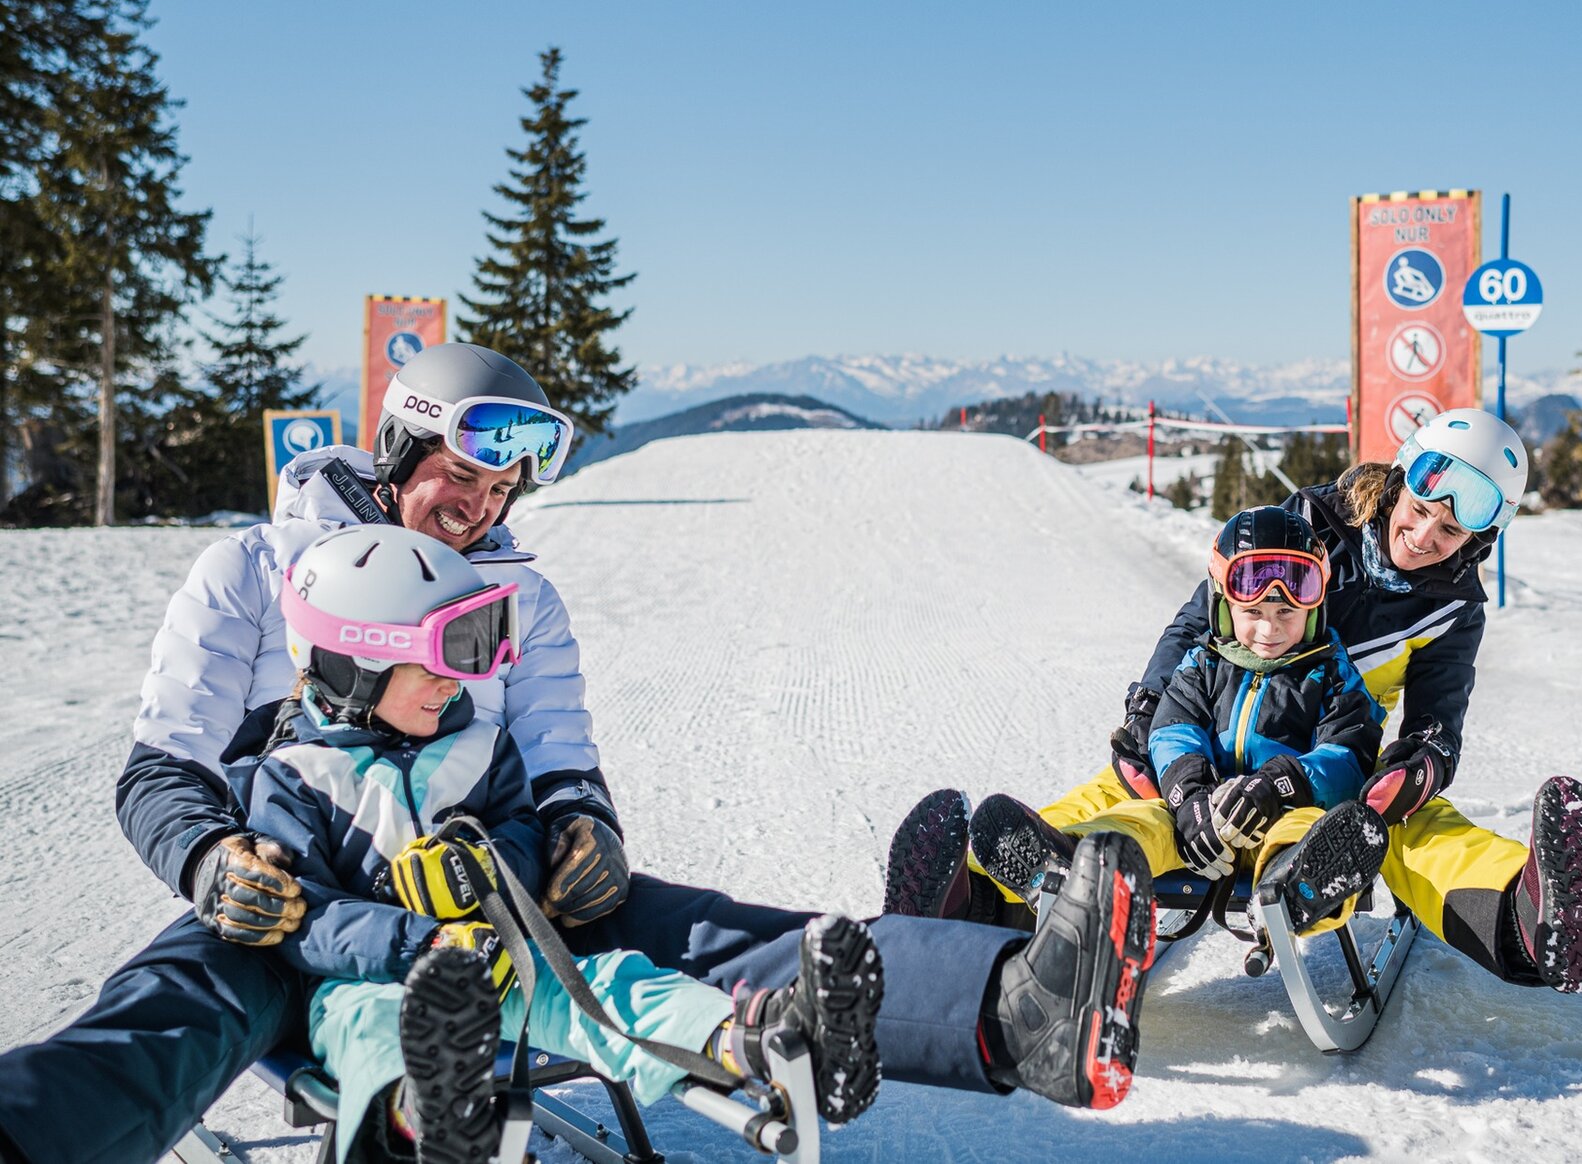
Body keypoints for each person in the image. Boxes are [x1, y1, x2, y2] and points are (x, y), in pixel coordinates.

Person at [0, 344, 1150, 1164]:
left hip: (477, 871)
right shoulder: (251, 572)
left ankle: (1015, 1010)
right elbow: (160, 768)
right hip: (292, 885)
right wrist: (208, 860)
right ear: (401, 448)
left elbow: (555, 753)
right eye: (461, 475)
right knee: (178, 1001)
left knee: (698, 931)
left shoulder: (519, 593)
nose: (478, 507)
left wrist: (582, 826)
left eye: (502, 487)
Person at [889, 409, 1582, 997]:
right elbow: (1195, 626)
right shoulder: (1304, 529)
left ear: (1479, 540)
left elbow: (1434, 722)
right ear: (1399, 479)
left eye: (1451, 529)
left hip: (1331, 761)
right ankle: (981, 893)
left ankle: (1527, 914)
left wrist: (1408, 775)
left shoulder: (1452, 608)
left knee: (1405, 827)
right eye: (1421, 508)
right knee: (1126, 802)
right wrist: (1151, 717)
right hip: (1208, 742)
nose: (1424, 536)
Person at [238, 524, 884, 1161]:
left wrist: (485, 869)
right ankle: (428, 1115)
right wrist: (422, 944)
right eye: (442, 659)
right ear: (355, 663)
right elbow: (306, 914)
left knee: (612, 986)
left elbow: (524, 830)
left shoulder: (478, 747)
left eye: (476, 652)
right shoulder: (296, 778)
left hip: (503, 959)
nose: (459, 680)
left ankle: (769, 1038)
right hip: (364, 983)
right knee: (375, 1029)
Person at [954, 506, 1397, 938]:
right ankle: (1075, 863)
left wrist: (1278, 785)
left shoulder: (1333, 675)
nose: (1269, 630)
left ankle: (1294, 891)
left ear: (1313, 611)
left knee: (1303, 833)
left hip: (1281, 816)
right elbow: (1172, 730)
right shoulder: (1203, 664)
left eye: (1286, 614)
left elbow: (1348, 754)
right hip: (1197, 823)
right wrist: (1190, 798)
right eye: (1254, 614)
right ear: (1224, 608)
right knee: (1144, 820)